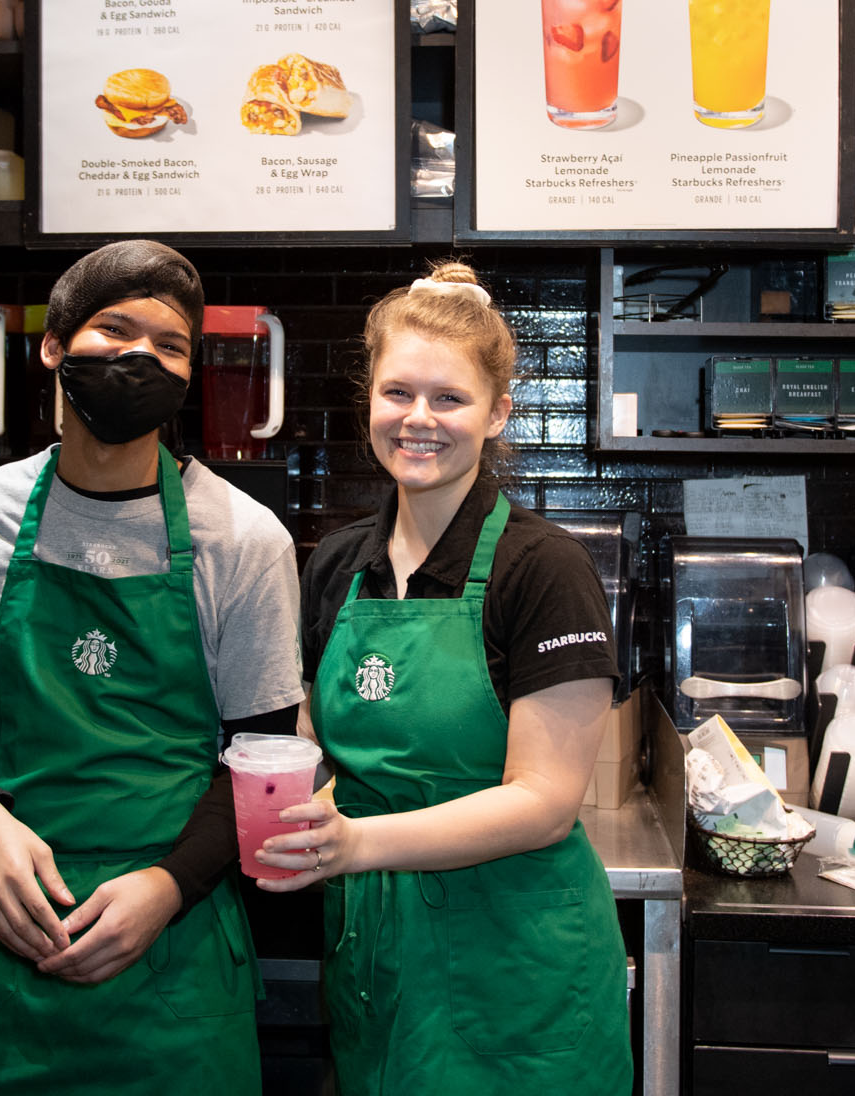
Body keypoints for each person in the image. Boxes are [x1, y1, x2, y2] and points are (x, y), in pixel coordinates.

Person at [0, 240, 302, 1096]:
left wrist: (166, 885)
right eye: (114, 330)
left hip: (172, 958)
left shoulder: (244, 537)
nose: (140, 358)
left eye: (170, 345)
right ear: (52, 347)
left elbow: (265, 766)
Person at [257, 260, 633, 1095]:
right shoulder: (339, 565)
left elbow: (543, 802)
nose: (417, 419)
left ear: (497, 412)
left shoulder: (542, 569)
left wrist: (355, 843)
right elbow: (319, 737)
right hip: (377, 956)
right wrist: (304, 797)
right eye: (397, 393)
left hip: (515, 968)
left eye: (449, 399)